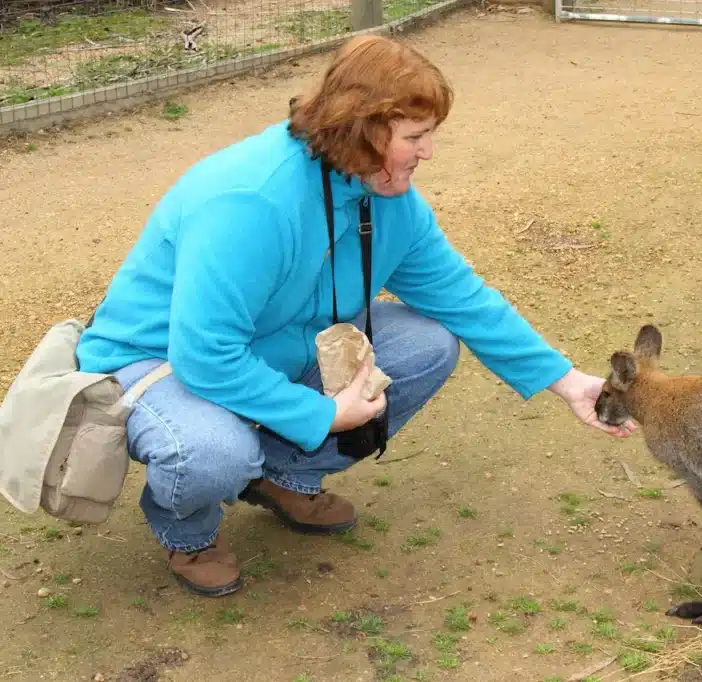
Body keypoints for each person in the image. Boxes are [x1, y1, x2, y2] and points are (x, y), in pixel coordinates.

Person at [75, 34, 636, 598]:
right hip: (162, 361)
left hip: (274, 344)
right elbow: (204, 355)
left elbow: (461, 295)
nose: (429, 152)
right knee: (213, 452)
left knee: (428, 343)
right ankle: (188, 532)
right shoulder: (250, 200)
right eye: (415, 137)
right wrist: (319, 412)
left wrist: (567, 381)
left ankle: (280, 477)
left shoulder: (383, 192)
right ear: (363, 130)